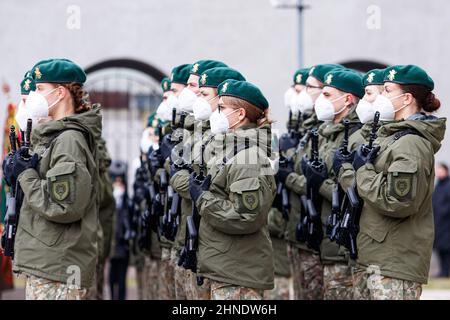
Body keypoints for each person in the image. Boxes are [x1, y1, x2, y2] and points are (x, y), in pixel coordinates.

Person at [337, 64, 446, 300]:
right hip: (374, 257)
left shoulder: (411, 143)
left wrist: (361, 171)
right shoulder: (391, 137)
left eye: (386, 90)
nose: (380, 96)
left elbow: (397, 201)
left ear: (406, 98)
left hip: (394, 262)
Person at [4, 58, 100, 300]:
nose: (34, 95)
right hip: (49, 263)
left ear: (60, 93)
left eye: (39, 89)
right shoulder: (55, 137)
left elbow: (64, 206)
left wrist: (26, 175)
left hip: (58, 267)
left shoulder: (68, 141)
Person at [190, 79, 276, 300]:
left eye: (221, 108)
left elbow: (246, 216)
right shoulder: (232, 149)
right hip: (225, 267)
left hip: (238, 275)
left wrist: (203, 198)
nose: (215, 113)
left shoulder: (248, 157)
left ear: (239, 115)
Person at [171, 66, 245, 300]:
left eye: (202, 92)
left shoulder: (233, 141)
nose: (194, 97)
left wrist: (181, 177)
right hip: (196, 241)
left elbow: (204, 184)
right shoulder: (200, 134)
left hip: (221, 253)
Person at [280, 63, 343, 300]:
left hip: (322, 232)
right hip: (300, 226)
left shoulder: (328, 131)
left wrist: (290, 177)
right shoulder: (308, 128)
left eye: (308, 87)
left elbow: (318, 180)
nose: (302, 94)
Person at [108, 161, 130, 300]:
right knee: (111, 279)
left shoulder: (127, 203)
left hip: (123, 248)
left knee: (122, 280)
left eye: (120, 182)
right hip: (111, 248)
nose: (118, 185)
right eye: (115, 182)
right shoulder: (110, 204)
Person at [433, 162, 450, 277]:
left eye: (440, 170)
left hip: (446, 224)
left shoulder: (448, 185)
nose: (438, 172)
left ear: (446, 171)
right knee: (440, 248)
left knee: (446, 249)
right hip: (438, 223)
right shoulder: (438, 185)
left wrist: (443, 213)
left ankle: (445, 271)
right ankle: (443, 272)